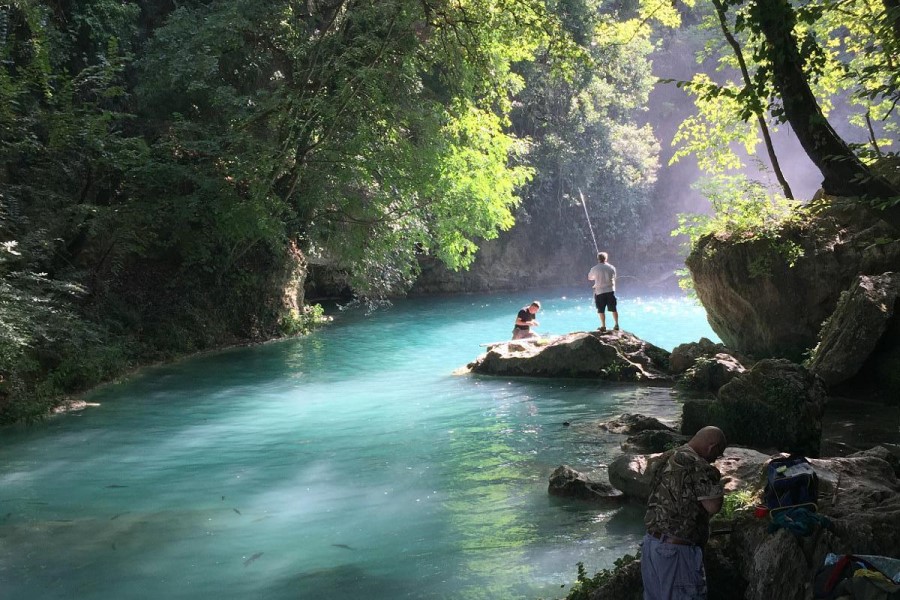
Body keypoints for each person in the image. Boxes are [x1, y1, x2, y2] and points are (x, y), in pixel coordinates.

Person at [641, 426, 727, 600]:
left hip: (651, 545)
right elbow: (713, 505)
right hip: (676, 552)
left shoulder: (665, 457)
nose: (714, 460)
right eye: (717, 455)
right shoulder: (696, 463)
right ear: (712, 447)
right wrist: (717, 479)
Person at [587, 252, 619, 332]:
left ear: (598, 259)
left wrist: (596, 277)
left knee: (601, 309)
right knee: (613, 308)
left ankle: (603, 326)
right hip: (610, 290)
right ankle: (616, 324)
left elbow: (590, 278)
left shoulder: (594, 268)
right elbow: (614, 277)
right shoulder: (611, 267)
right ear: (606, 258)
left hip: (599, 291)